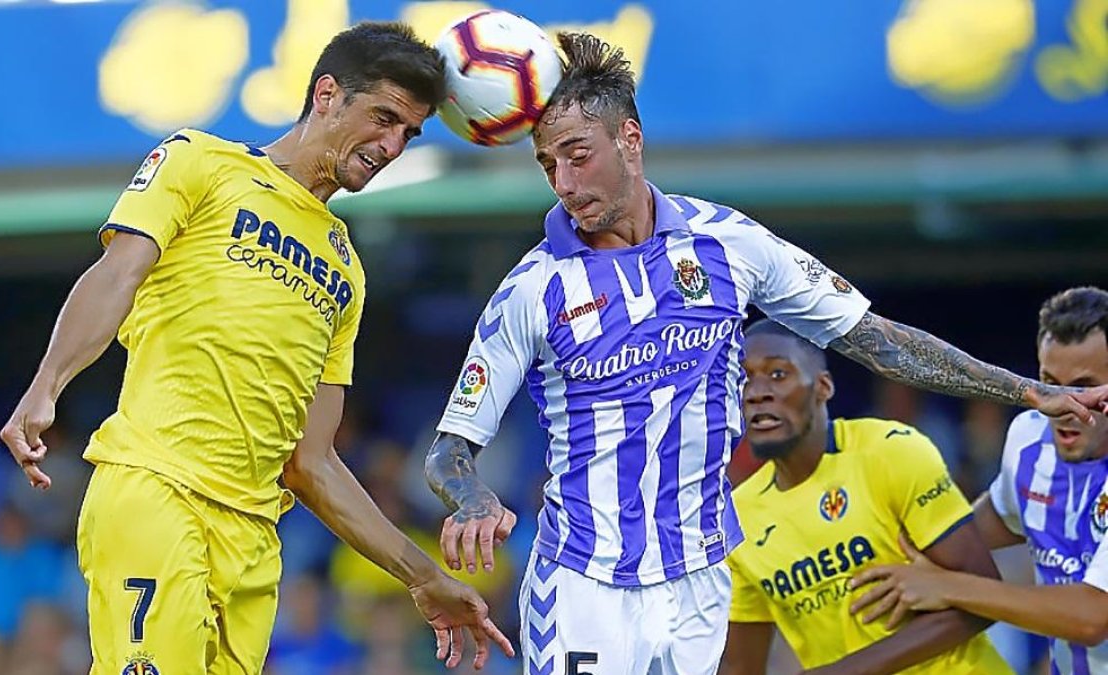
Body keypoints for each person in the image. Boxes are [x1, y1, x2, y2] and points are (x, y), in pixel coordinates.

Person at [421, 32, 1108, 675]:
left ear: (630, 139)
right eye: (548, 165)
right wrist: (474, 495)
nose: (565, 184)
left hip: (702, 578)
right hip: (582, 580)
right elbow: (448, 449)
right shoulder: (531, 289)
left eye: (578, 155)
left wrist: (1024, 391)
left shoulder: (730, 244)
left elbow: (879, 339)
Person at [0, 22, 512, 675]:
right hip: (157, 489)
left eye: (408, 133)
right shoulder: (200, 162)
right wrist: (49, 382)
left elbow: (313, 462)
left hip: (252, 543)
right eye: (383, 117)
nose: (391, 145)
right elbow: (117, 273)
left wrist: (420, 575)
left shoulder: (346, 270)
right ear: (326, 94)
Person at [722, 319, 1010, 675]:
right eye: (743, 378)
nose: (756, 392)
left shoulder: (891, 452)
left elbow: (986, 598)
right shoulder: (737, 518)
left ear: (823, 387)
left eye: (778, 374)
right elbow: (740, 667)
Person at [849, 286, 1108, 673]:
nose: (1064, 403)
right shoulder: (1028, 437)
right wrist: (906, 546)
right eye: (1049, 382)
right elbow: (990, 520)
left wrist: (947, 585)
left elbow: (1092, 617)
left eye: (1084, 387)